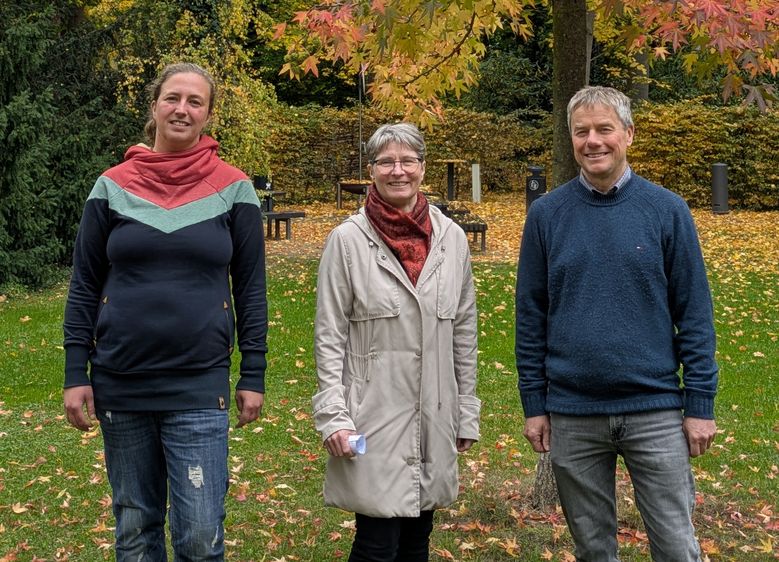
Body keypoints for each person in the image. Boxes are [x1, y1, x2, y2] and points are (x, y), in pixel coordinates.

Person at [63, 62, 268, 561]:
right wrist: (75, 371)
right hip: (121, 380)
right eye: (173, 98)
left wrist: (253, 373)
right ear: (154, 106)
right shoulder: (111, 186)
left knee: (199, 535)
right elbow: (85, 284)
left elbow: (251, 288)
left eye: (195, 102)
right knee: (135, 528)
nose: (182, 109)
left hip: (199, 383)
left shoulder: (233, 188)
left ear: (208, 115)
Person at [515, 86, 718, 561]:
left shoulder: (667, 211)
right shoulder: (546, 215)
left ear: (627, 133)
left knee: (675, 544)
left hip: (655, 409)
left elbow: (694, 314)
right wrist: (534, 403)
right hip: (572, 412)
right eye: (581, 131)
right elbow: (531, 317)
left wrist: (700, 403)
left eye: (604, 128)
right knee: (593, 551)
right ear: (571, 140)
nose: (593, 141)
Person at [313, 122, 481, 561]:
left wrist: (466, 411)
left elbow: (464, 331)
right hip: (373, 414)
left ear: (422, 168)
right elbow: (329, 334)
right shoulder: (347, 241)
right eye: (386, 161)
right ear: (372, 170)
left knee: (417, 537)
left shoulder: (452, 240)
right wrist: (333, 416)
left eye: (408, 160)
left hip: (435, 411)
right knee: (376, 542)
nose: (398, 170)